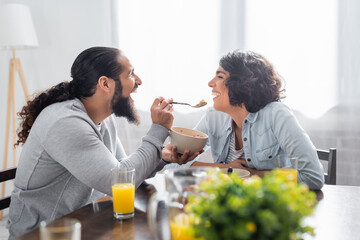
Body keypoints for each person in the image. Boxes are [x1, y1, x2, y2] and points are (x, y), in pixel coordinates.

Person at [7, 47, 187, 239]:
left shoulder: (102, 118)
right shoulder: (66, 123)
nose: (139, 81)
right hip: (44, 233)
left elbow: (124, 172)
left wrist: (162, 156)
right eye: (131, 73)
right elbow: (119, 182)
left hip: (82, 223)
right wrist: (158, 128)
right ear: (105, 84)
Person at [162, 50, 324, 190]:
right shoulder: (213, 116)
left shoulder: (277, 115)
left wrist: (254, 175)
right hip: (230, 208)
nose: (210, 83)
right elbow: (174, 165)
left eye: (219, 76)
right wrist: (225, 169)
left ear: (242, 83)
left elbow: (313, 177)